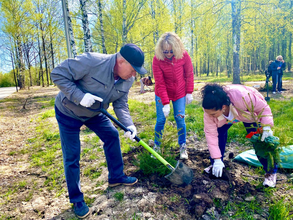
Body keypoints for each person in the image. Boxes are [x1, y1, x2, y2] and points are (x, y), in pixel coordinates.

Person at [51, 43, 147, 218]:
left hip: (95, 112)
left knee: (112, 135)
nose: (134, 75)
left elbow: (120, 104)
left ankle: (116, 177)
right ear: (121, 61)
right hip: (68, 111)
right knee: (72, 155)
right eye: (133, 69)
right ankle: (76, 199)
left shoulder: (128, 80)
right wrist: (80, 97)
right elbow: (57, 74)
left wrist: (129, 124)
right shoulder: (92, 61)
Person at [201, 83, 278, 187]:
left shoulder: (242, 96)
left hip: (248, 114)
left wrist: (266, 126)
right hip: (224, 119)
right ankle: (217, 164)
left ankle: (271, 172)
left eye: (213, 114)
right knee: (218, 135)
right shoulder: (210, 112)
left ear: (223, 107)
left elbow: (263, 107)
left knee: (260, 141)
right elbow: (211, 136)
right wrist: (217, 159)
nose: (210, 116)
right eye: (208, 113)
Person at [152, 32, 194, 160]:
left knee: (180, 119)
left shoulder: (184, 55)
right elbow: (160, 82)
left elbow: (189, 74)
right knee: (161, 120)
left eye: (171, 51)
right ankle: (157, 146)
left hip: (179, 92)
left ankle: (182, 146)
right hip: (162, 92)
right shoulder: (157, 59)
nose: (169, 54)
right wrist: (165, 103)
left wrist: (189, 92)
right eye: (165, 52)